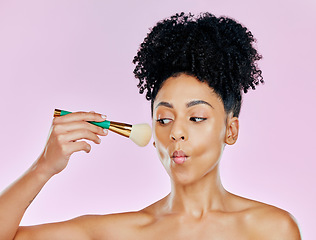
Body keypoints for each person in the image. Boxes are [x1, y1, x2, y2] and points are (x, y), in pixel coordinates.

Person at [0, 12, 301, 239]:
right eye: (164, 119)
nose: (176, 132)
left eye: (196, 118)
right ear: (154, 135)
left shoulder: (272, 229)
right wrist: (44, 167)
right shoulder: (127, 231)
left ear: (230, 130)